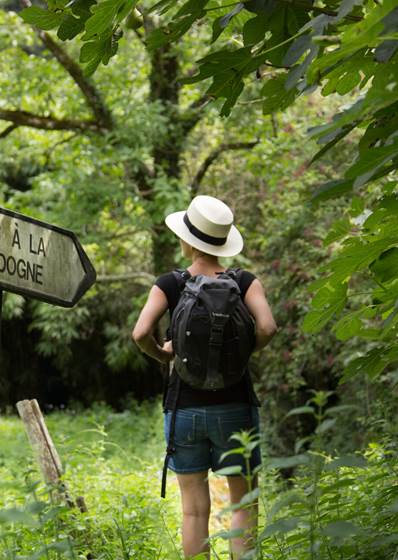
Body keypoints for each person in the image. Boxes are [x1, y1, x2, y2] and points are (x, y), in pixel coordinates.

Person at [132, 195, 277, 560]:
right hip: (236, 406)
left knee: (194, 510)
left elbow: (139, 334)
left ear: (188, 240)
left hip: (184, 407)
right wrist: (244, 352)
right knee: (244, 504)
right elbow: (268, 327)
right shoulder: (244, 281)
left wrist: (165, 355)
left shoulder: (169, 283)